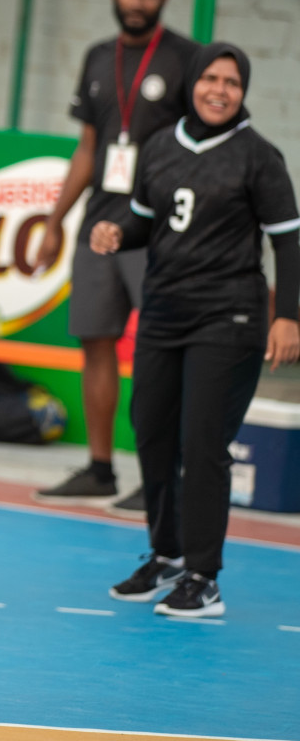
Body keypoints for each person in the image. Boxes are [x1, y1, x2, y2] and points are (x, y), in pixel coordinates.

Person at [91, 43, 298, 618]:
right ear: (193, 84)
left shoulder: (259, 156)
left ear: (243, 91)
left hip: (228, 317)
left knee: (203, 444)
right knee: (153, 432)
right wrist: (116, 232)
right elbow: (147, 220)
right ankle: (168, 555)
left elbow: (288, 239)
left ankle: (205, 577)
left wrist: (290, 316)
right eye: (210, 78)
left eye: (232, 82)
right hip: (163, 313)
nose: (219, 89)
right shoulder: (161, 147)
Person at [34, 0, 200, 512]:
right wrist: (55, 222)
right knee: (95, 344)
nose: (137, 3)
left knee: (160, 352)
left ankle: (162, 476)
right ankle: (100, 470)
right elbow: (88, 149)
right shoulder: (98, 58)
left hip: (157, 232)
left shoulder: (187, 59)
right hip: (97, 225)